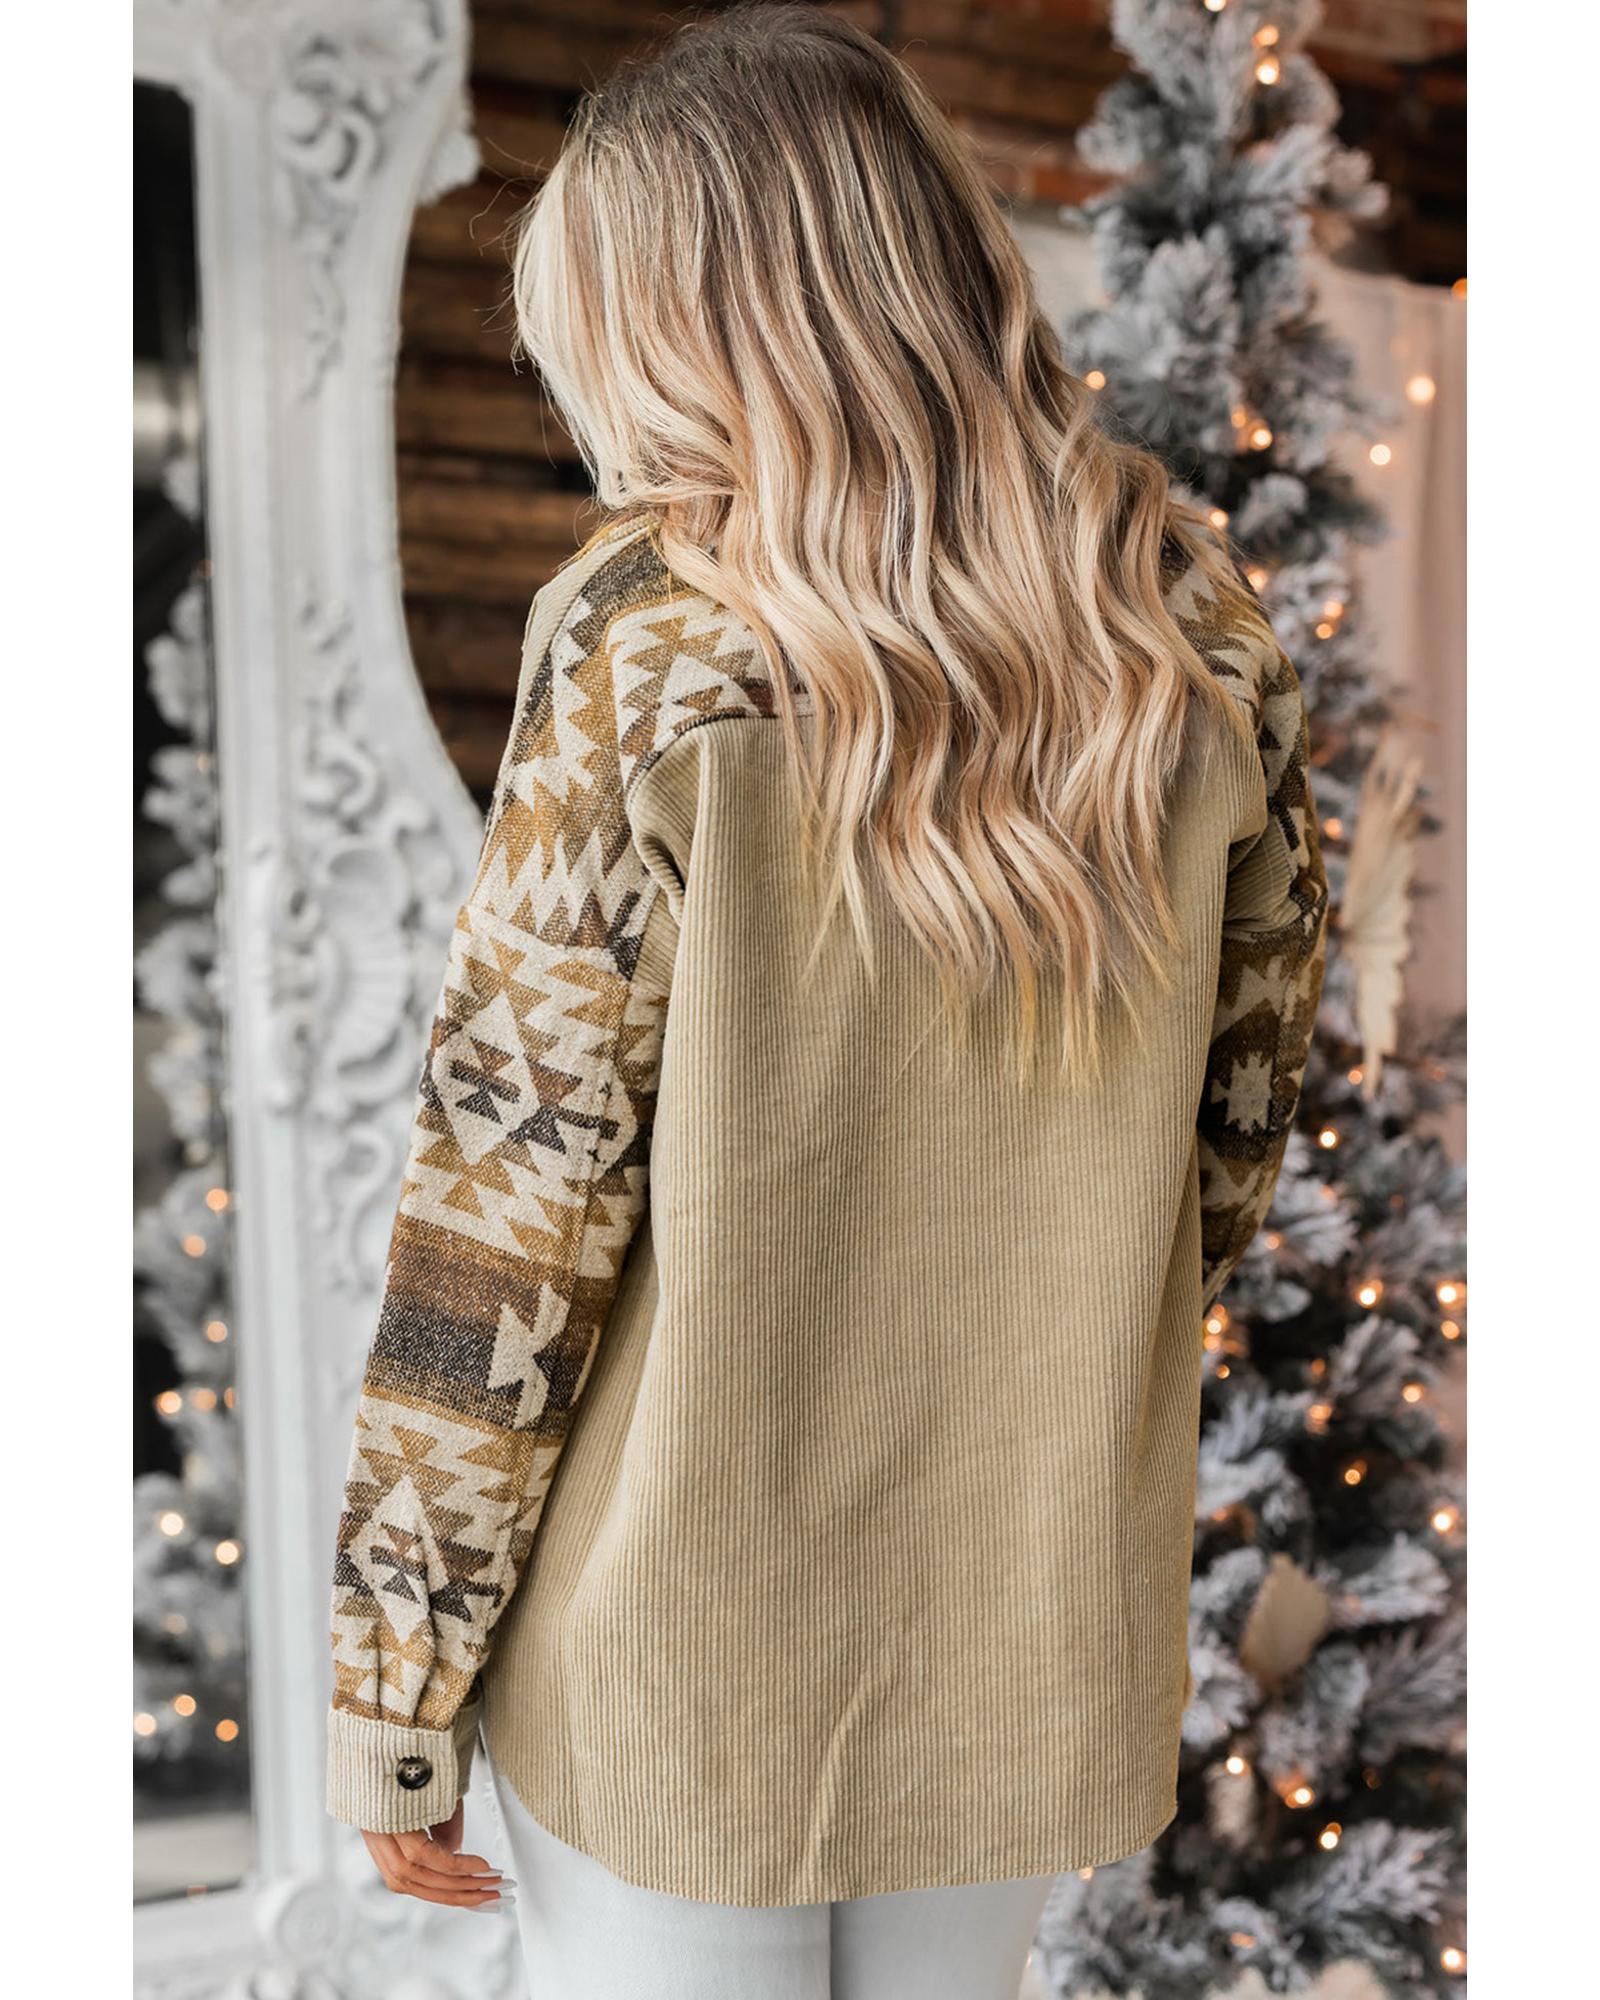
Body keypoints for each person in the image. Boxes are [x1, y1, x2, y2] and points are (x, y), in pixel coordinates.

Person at [322, 7, 1328, 1996]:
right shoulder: (1197, 634)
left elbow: (509, 1207)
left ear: (686, 326)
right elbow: (1231, 1150)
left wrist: (395, 1686)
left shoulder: (646, 641)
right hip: (1017, 1625)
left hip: (676, 1643)